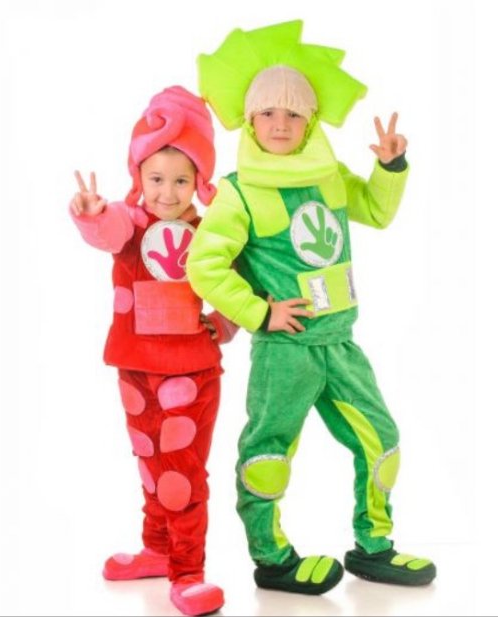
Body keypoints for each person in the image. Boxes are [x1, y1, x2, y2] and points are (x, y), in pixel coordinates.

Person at [187, 21, 436, 595]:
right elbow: (204, 265)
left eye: (294, 114)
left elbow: (375, 211)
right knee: (268, 453)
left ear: (312, 121)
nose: (281, 124)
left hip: (340, 342)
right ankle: (272, 557)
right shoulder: (239, 191)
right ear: (249, 120)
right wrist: (260, 312)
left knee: (381, 440)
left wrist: (389, 168)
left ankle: (374, 546)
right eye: (268, 113)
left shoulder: (327, 176)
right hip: (286, 351)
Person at [70, 85, 236, 616]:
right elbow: (107, 230)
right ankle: (158, 549)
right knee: (149, 462)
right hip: (135, 368)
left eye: (181, 180)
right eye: (156, 178)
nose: (167, 192)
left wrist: (222, 323)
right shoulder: (130, 221)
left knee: (179, 472)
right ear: (138, 175)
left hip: (191, 370)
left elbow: (236, 282)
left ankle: (188, 571)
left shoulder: (210, 232)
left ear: (199, 181)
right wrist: (91, 214)